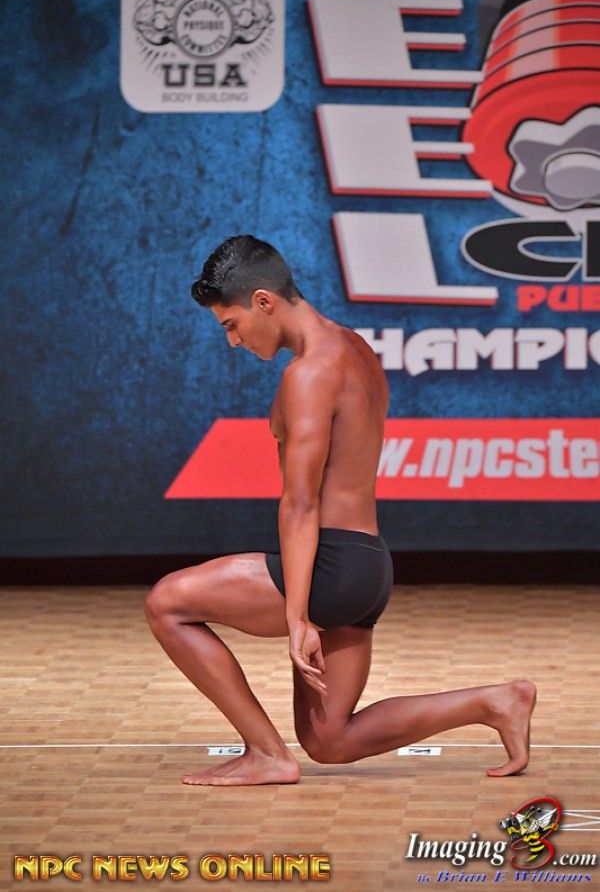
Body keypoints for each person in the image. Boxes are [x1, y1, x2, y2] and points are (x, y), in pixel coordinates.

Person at [144, 235, 536, 786]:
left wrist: (297, 616)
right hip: (367, 564)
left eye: (231, 324)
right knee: (329, 739)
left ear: (263, 301)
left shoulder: (309, 372)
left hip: (330, 566)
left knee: (167, 603)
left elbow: (300, 503)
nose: (233, 341)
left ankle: (266, 754)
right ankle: (495, 701)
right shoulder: (354, 347)